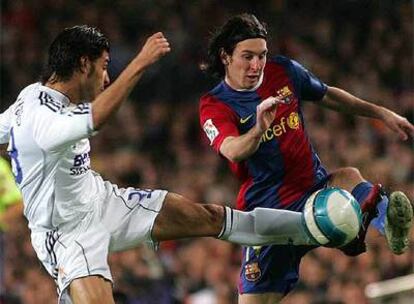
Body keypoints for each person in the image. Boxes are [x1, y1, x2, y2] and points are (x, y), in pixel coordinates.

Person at [0, 25, 339, 304]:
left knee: (210, 217)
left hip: (102, 201)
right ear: (85, 64)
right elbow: (97, 118)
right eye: (104, 67)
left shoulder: (29, 98)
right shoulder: (41, 118)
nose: (106, 78)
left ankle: (314, 226)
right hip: (66, 234)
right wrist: (140, 62)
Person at [199, 13, 414, 304]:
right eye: (247, 56)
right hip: (270, 216)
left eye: (261, 56)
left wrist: (381, 113)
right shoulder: (215, 105)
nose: (256, 65)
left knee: (348, 176)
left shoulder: (283, 71)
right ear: (225, 56)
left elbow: (328, 95)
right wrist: (260, 129)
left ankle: (385, 223)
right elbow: (234, 150)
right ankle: (359, 227)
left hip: (315, 194)